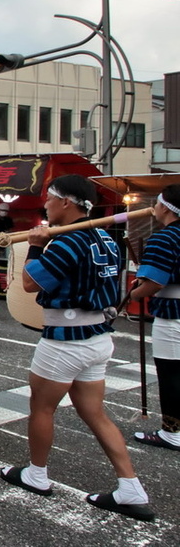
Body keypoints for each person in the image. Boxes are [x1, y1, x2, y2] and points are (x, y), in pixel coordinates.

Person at [0, 174, 155, 522]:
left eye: (50, 199)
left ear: (66, 203)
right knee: (93, 412)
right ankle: (130, 486)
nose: (46, 205)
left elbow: (28, 283)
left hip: (66, 341)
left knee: (42, 407)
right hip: (97, 337)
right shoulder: (105, 238)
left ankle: (36, 475)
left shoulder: (67, 241)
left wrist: (37, 245)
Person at [128, 184, 180, 453]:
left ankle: (172, 431)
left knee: (171, 373)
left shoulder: (165, 237)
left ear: (165, 207)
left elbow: (155, 282)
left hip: (174, 313)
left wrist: (134, 294)